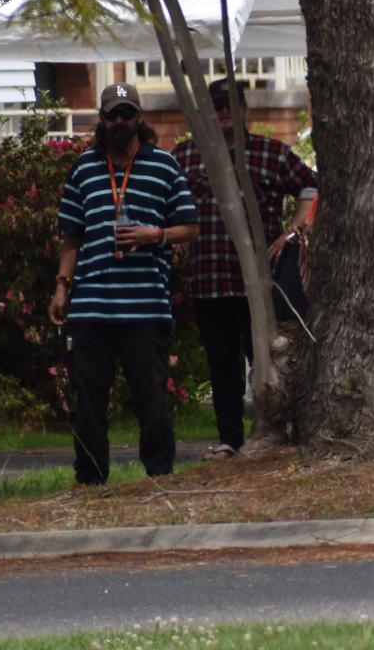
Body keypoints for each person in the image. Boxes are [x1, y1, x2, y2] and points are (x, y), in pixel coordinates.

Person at [48, 83, 198, 483]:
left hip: (145, 305)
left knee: (151, 396)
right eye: (112, 115)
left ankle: (160, 473)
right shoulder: (84, 168)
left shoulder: (164, 165)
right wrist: (62, 286)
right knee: (89, 397)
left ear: (139, 117)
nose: (119, 122)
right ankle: (91, 477)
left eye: (127, 114)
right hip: (91, 306)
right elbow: (71, 237)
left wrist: (155, 235)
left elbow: (190, 226)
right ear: (100, 119)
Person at [172, 78, 317, 460]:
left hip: (259, 282)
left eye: (231, 105)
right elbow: (165, 201)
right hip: (208, 278)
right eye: (216, 105)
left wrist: (293, 230)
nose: (223, 112)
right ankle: (229, 441)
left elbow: (311, 188)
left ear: (244, 111)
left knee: (268, 360)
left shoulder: (272, 154)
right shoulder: (185, 156)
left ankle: (273, 433)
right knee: (222, 365)